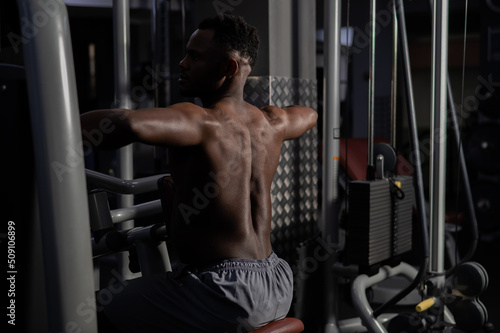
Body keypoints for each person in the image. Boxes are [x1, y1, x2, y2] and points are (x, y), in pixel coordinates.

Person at [81, 14, 317, 333]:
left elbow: (129, 123)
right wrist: (280, 120)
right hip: (276, 281)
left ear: (229, 68)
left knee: (87, 310)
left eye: (194, 56)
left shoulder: (200, 120)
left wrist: (50, 123)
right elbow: (310, 115)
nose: (182, 63)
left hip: (225, 292)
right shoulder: (271, 123)